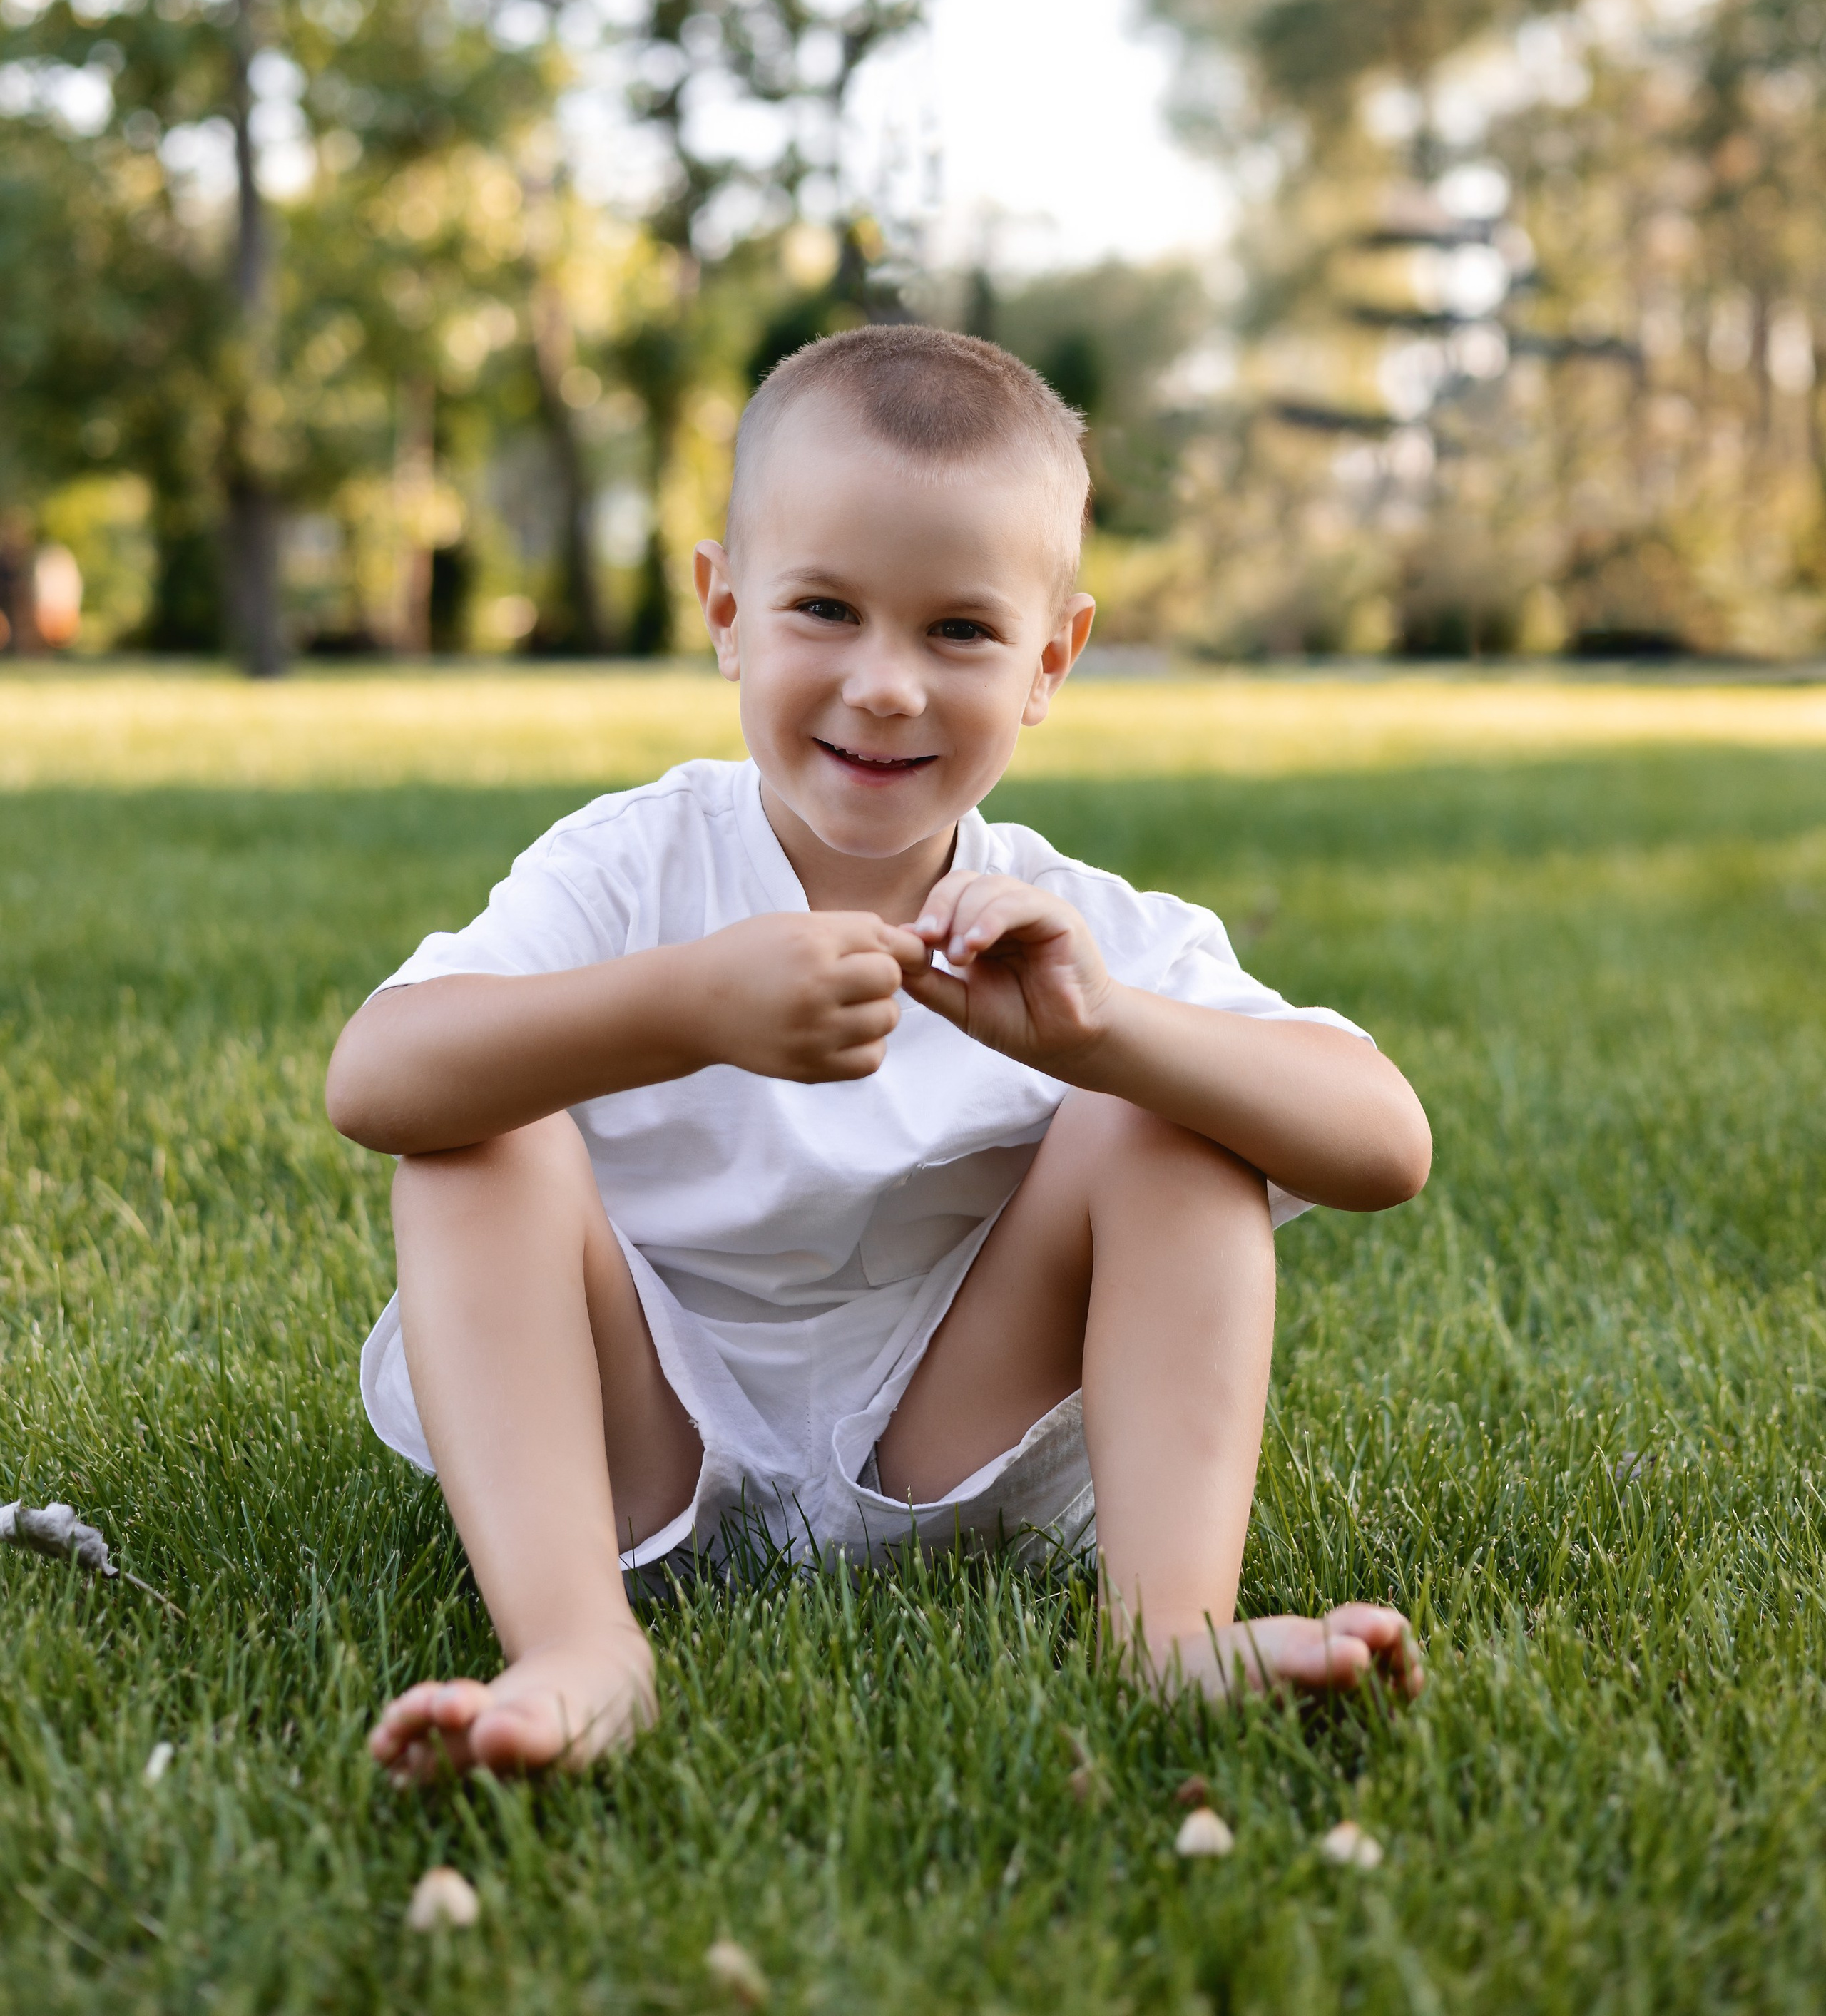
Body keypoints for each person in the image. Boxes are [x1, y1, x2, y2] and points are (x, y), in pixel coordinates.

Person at [327, 326, 1432, 1786]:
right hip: (632, 1452)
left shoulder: (1069, 925)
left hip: (950, 1458)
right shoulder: (634, 866)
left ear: (1050, 660)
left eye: (959, 630)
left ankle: (1171, 1634)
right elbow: (376, 1080)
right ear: (727, 611)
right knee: (478, 1127)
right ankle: (580, 1646)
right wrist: (683, 1005)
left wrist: (1106, 1033)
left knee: (1160, 1113)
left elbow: (1384, 1143)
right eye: (826, 609)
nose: (887, 684)